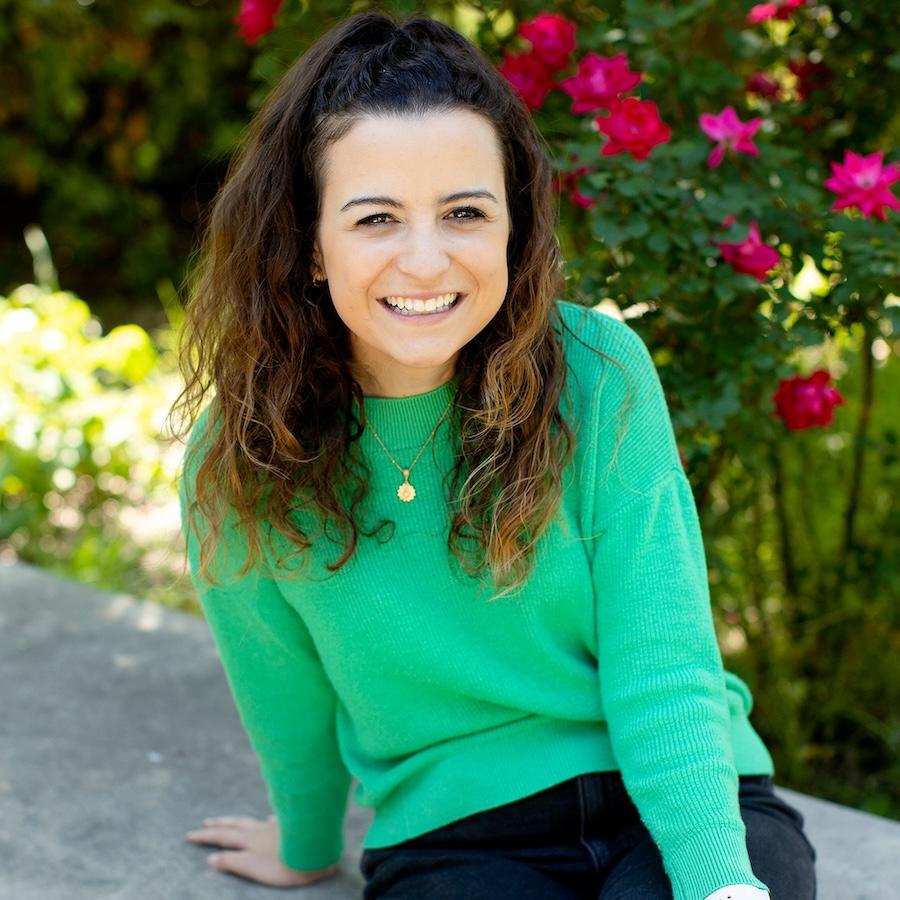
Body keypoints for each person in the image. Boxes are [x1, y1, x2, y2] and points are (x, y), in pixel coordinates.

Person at [172, 10, 817, 900]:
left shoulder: (598, 373)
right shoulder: (243, 455)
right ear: (310, 244)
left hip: (687, 798)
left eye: (465, 213)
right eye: (377, 218)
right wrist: (307, 844)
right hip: (458, 839)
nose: (426, 261)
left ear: (513, 225)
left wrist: (717, 882)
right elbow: (282, 688)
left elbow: (664, 658)